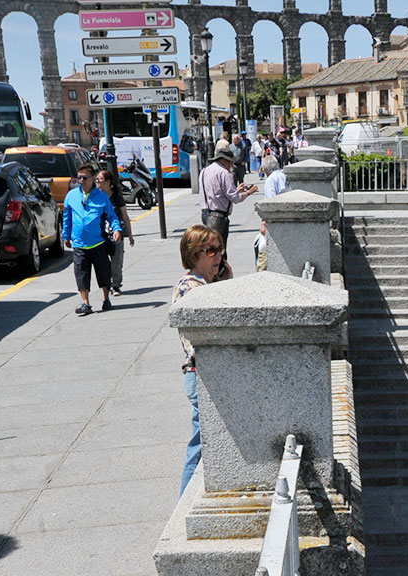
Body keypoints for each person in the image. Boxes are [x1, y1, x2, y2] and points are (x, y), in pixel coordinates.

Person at [172, 224, 233, 496]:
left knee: (207, 442)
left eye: (219, 249)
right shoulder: (190, 287)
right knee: (199, 445)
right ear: (194, 254)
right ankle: (184, 499)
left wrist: (225, 282)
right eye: (210, 251)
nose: (218, 256)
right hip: (199, 374)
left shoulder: (209, 285)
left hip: (210, 373)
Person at [62, 163, 122, 316]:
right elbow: (66, 217)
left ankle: (105, 299)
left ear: (92, 178)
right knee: (81, 273)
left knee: (103, 272)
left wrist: (117, 229)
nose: (80, 180)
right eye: (78, 177)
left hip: (98, 242)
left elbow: (111, 216)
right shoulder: (71, 196)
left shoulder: (101, 197)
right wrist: (65, 235)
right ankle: (86, 303)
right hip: (79, 244)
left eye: (84, 177)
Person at [199, 147, 258, 249]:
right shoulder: (224, 173)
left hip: (205, 213)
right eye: (230, 162)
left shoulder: (204, 171)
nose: (231, 165)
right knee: (220, 249)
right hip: (218, 216)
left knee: (210, 247)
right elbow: (236, 198)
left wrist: (236, 190)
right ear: (225, 161)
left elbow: (216, 192)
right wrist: (249, 192)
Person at [95, 169, 134, 296]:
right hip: (100, 234)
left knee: (116, 261)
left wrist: (130, 234)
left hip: (116, 232)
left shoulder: (116, 195)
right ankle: (107, 284)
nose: (97, 182)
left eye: (99, 180)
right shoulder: (95, 196)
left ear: (108, 182)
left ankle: (116, 284)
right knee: (104, 262)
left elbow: (124, 215)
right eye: (96, 180)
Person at [255, 155, 289, 272]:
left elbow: (270, 203)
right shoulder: (284, 176)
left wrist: (263, 223)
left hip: (273, 221)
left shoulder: (270, 180)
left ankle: (262, 273)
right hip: (286, 219)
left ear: (265, 169)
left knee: (263, 250)